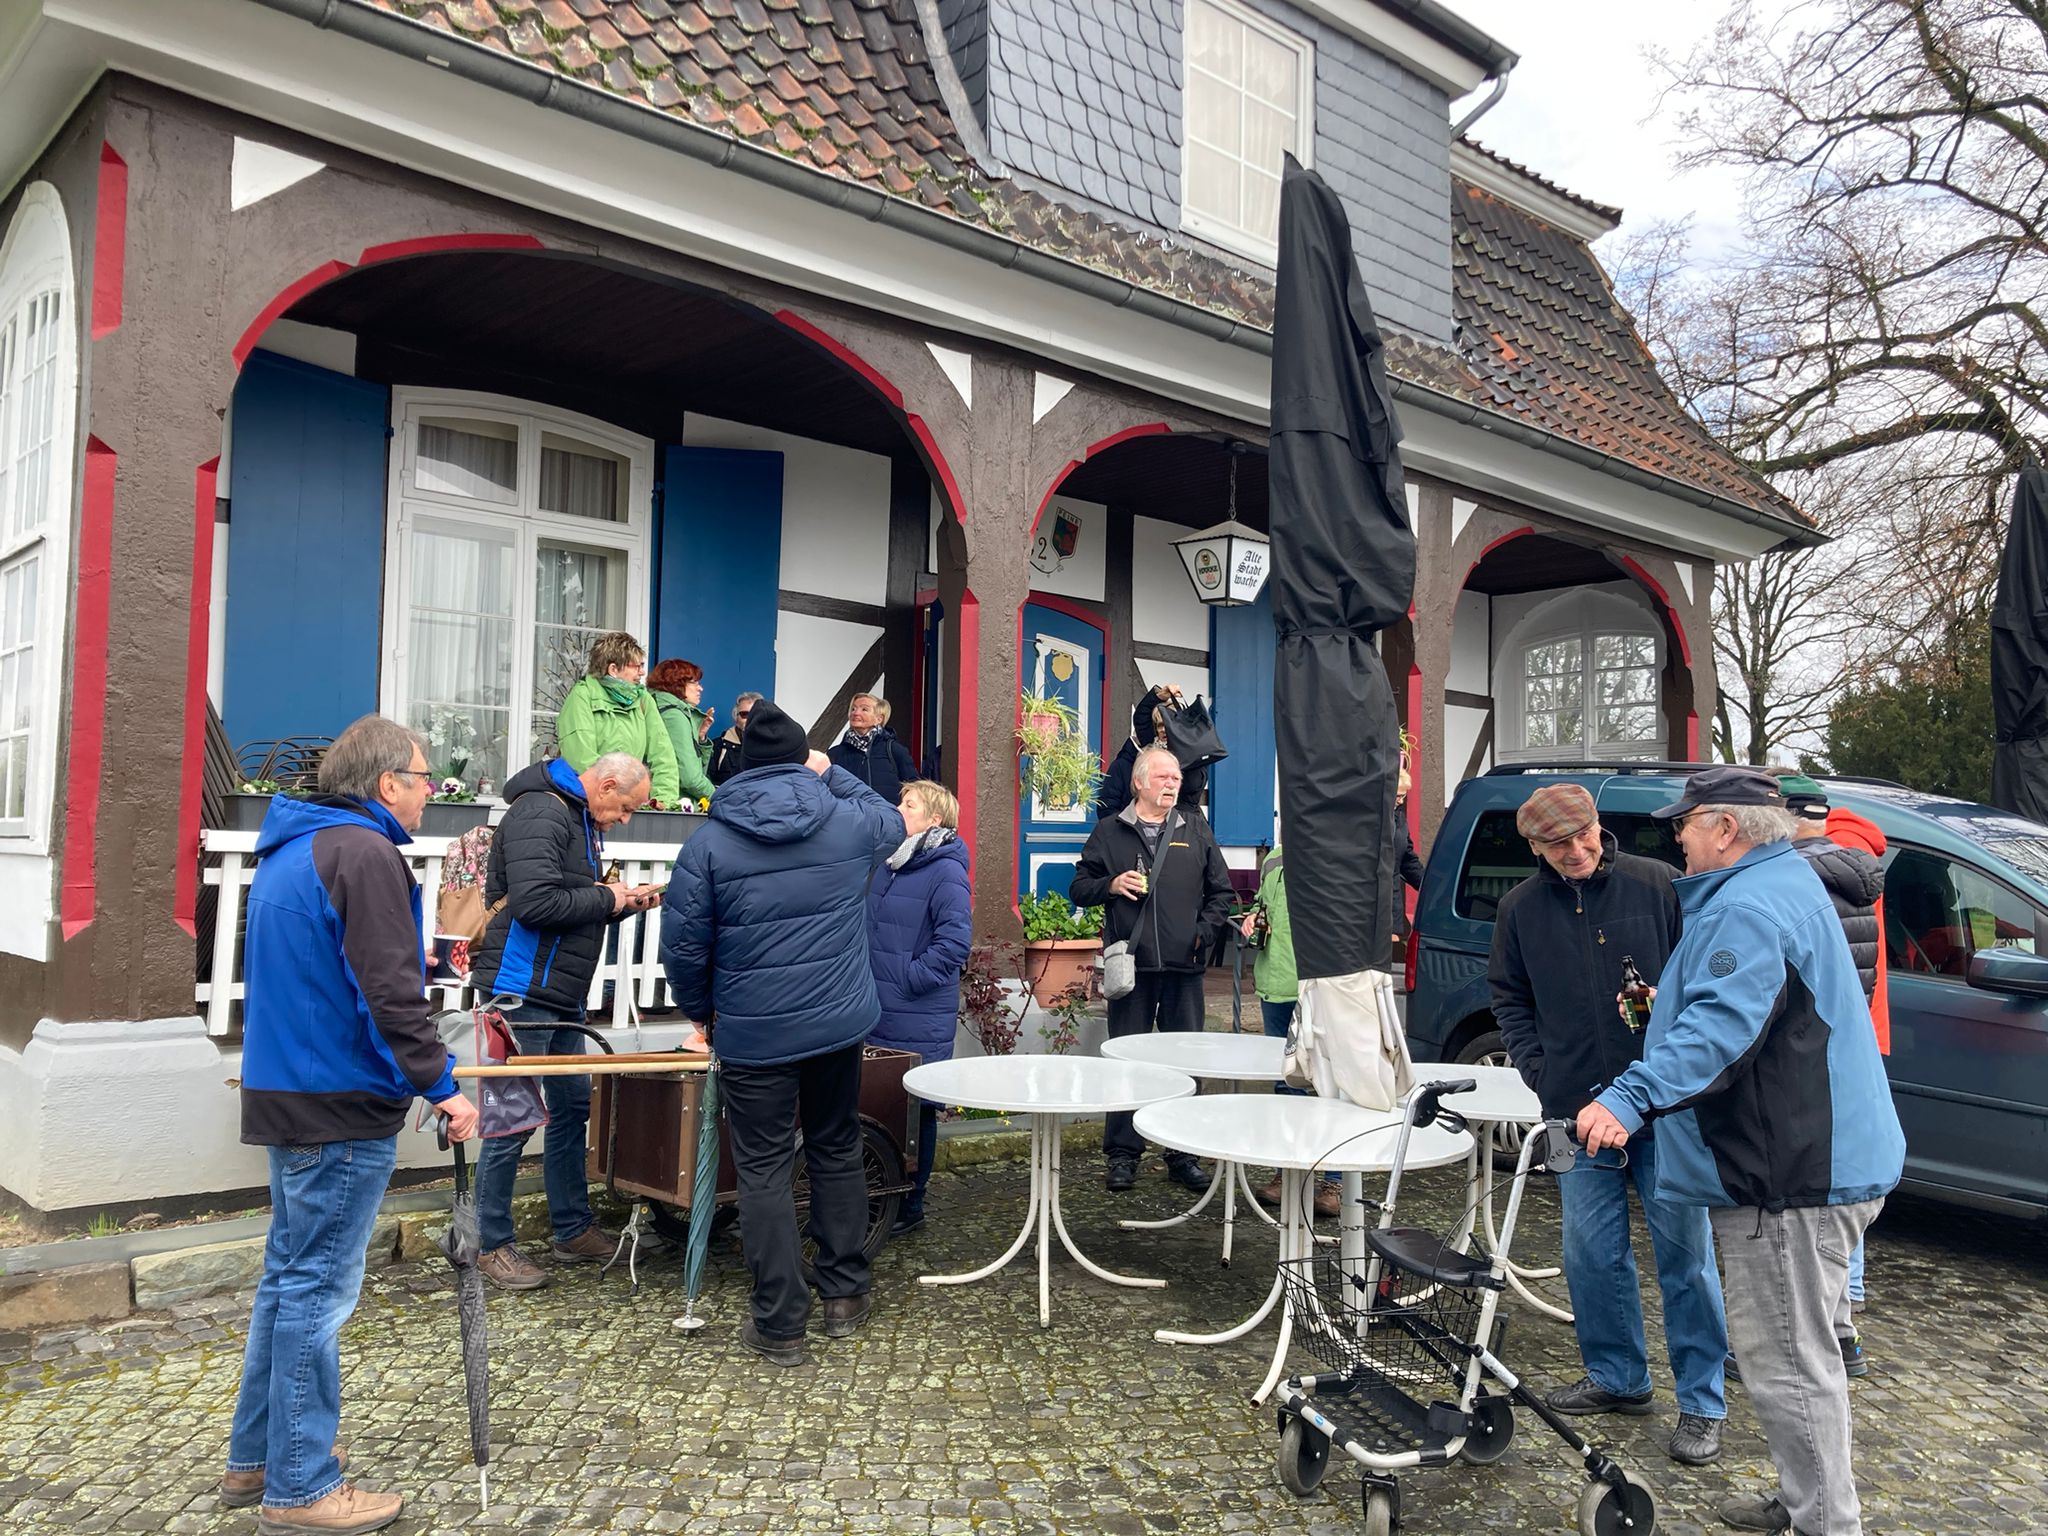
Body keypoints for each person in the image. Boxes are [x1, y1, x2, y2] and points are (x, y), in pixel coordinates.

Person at [1578, 765, 1905, 1536]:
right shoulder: (1779, 884)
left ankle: (1824, 1521)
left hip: (1787, 1174)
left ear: (1725, 828)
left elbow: (1720, 1032)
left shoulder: (1748, 905)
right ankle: (1807, 1498)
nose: (1677, 839)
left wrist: (1627, 1097)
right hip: (1813, 1157)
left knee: (1788, 1363)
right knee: (1803, 1355)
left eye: (1685, 825)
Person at [224, 714, 480, 1535]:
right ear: (386, 783)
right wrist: (443, 1085)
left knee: (287, 1281)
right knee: (317, 1292)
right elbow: (388, 998)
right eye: (423, 776)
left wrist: (415, 955)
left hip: (290, 1085)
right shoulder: (365, 854)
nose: (430, 789)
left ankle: (257, 1457)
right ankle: (301, 1486)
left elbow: (334, 967)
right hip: (336, 1097)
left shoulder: (295, 845)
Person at [1487, 782, 1727, 1467]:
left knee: (1685, 1258)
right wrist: (1540, 1070)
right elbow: (1508, 996)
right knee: (1588, 1253)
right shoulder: (1519, 908)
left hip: (1664, 1108)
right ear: (1534, 848)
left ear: (1599, 825)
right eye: (1557, 844)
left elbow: (1702, 988)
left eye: (1583, 835)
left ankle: (1703, 1400)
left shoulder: (1659, 885)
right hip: (1571, 1109)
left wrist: (1676, 1073)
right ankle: (1619, 1378)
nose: (1576, 850)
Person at [661, 700, 905, 1366]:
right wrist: (832, 772)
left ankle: (780, 1323)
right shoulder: (846, 821)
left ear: (741, 765)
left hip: (753, 1030)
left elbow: (683, 944)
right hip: (836, 1023)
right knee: (835, 1146)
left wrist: (700, 1012)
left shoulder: (708, 842)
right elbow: (893, 820)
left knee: (764, 1169)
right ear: (803, 759)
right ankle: (845, 1293)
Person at [467, 752, 664, 1290]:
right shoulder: (542, 811)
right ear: (605, 785)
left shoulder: (576, 816)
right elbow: (535, 905)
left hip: (559, 991)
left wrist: (621, 904)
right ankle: (489, 1243)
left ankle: (572, 1229)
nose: (625, 820)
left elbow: (569, 904)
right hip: (520, 990)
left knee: (572, 1107)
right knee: (512, 1116)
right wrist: (606, 896)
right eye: (625, 808)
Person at [1070, 745, 1233, 1193]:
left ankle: (1183, 1153)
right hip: (1133, 969)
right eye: (1162, 777)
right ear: (1139, 782)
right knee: (1126, 1062)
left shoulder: (1195, 828)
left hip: (1184, 969)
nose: (1171, 783)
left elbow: (1222, 893)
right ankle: (1123, 1156)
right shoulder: (1110, 831)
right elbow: (1079, 888)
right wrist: (1111, 884)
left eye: (1175, 778)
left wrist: (1202, 934)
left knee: (1186, 1065)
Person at [1778, 773, 1889, 1371]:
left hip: (1808, 1054)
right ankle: (1846, 1323)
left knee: (1813, 1198)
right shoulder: (1857, 869)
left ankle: (1828, 1335)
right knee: (1844, 1183)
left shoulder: (1798, 878)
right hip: (1853, 1042)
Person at [865, 779, 973, 1235]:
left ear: (934, 820)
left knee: (918, 1109)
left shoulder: (945, 869)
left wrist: (908, 979)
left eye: (908, 805)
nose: (898, 809)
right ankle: (882, 1196)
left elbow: (954, 944)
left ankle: (912, 1204)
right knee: (882, 1104)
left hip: (916, 1011)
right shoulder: (890, 862)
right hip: (876, 1007)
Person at [1241, 844, 1341, 1218]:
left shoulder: (1340, 853)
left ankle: (1334, 1180)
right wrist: (1253, 917)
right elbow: (1264, 905)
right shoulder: (1274, 858)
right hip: (1276, 982)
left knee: (1330, 1084)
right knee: (1285, 1086)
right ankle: (1288, 1172)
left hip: (1322, 985)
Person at [555, 631, 681, 808]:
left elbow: (663, 755)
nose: (642, 672)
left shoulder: (643, 699)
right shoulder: (582, 696)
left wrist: (663, 800)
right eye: (636, 666)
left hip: (628, 806)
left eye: (642, 665)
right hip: (585, 804)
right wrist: (616, 797)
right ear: (613, 669)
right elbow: (581, 757)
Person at [1095, 685, 1207, 820]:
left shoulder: (1191, 762)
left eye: (1169, 725)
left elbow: (1190, 799)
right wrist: (1157, 696)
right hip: (1131, 829)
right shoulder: (1125, 764)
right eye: (1160, 725)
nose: (1164, 730)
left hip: (1182, 829)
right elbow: (1107, 808)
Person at [648, 658, 718, 806]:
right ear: (677, 683)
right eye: (695, 683)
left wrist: (700, 738)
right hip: (676, 804)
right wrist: (718, 796)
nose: (700, 688)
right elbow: (690, 778)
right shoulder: (674, 715)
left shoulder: (659, 706)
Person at [827, 692, 918, 804]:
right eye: (853, 709)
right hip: (850, 815)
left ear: (879, 719)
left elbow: (914, 789)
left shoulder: (894, 750)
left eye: (864, 709)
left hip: (887, 814)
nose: (856, 713)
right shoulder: (835, 754)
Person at [707, 691, 763, 785]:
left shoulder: (773, 747)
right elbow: (708, 780)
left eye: (755, 714)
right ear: (736, 717)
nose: (750, 719)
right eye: (745, 714)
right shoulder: (717, 747)